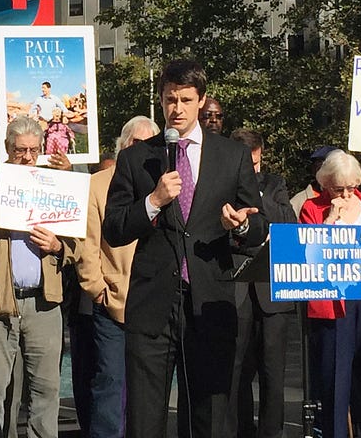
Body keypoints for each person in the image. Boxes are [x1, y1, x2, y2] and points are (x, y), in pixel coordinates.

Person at [103, 59, 266, 438]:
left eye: (185, 100)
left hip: (209, 301)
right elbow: (113, 228)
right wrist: (153, 202)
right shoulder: (136, 157)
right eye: (169, 99)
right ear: (160, 100)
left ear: (202, 101)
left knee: (209, 416)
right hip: (153, 303)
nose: (176, 108)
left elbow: (259, 224)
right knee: (145, 417)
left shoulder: (232, 155)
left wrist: (240, 224)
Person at [0, 116, 78, 438]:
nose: (27, 157)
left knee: (46, 393)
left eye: (33, 150)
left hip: (43, 304)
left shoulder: (55, 188)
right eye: (20, 150)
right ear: (6, 149)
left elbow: (78, 247)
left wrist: (58, 246)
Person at [300, 150, 361, 438]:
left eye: (351, 188)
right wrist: (329, 221)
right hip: (334, 305)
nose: (344, 194)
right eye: (337, 189)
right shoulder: (312, 209)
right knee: (334, 385)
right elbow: (307, 256)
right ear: (325, 184)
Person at [76, 116, 159, 438]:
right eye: (136, 143)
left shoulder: (164, 185)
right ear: (123, 145)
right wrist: (97, 289)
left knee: (149, 388)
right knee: (109, 382)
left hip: (153, 300)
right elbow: (88, 245)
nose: (142, 150)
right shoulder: (97, 185)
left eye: (149, 144)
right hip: (111, 302)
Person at [230, 129, 296, 438]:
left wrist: (254, 195)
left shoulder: (274, 184)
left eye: (256, 163)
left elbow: (287, 220)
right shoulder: (221, 183)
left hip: (271, 287)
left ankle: (273, 430)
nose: (253, 170)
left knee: (273, 368)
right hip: (237, 283)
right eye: (247, 164)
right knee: (237, 368)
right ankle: (241, 427)